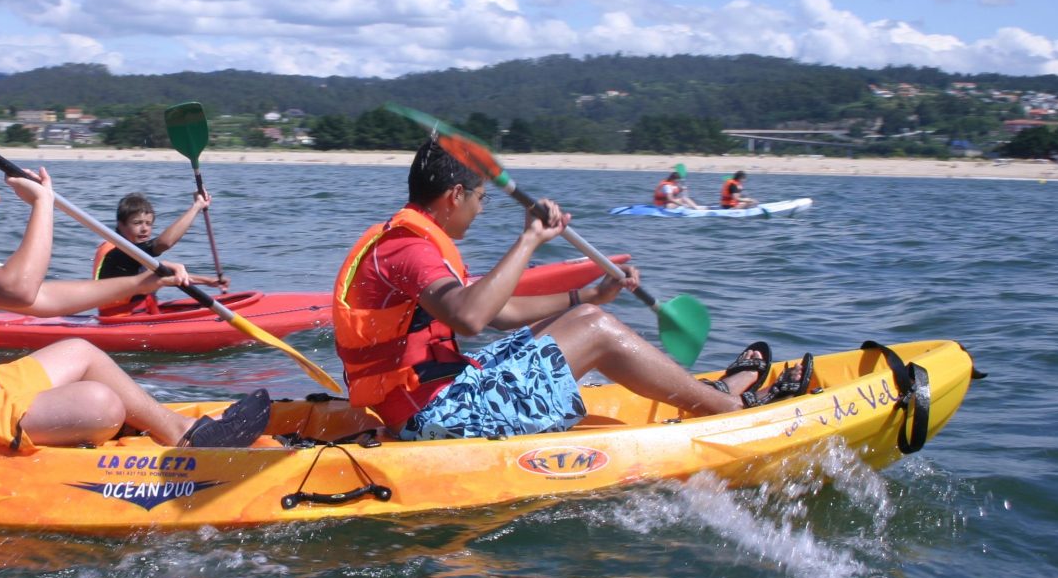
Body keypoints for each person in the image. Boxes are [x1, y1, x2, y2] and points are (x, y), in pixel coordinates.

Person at [331, 140, 811, 441]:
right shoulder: (410, 248)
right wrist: (529, 239)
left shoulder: (404, 241)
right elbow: (472, 318)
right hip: (432, 418)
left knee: (584, 321)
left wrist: (587, 298)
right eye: (479, 200)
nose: (479, 212)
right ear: (455, 196)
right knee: (597, 332)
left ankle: (711, 393)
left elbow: (499, 311)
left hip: (432, 399)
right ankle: (728, 405)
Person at [0, 128, 271, 450]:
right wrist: (44, 204)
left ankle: (182, 434)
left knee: (81, 351)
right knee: (100, 405)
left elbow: (42, 299)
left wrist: (139, 282)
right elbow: (25, 290)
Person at [93, 190, 228, 316]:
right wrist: (197, 206)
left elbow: (163, 275)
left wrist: (208, 281)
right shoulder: (119, 252)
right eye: (137, 223)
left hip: (137, 314)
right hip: (123, 319)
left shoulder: (133, 253)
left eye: (148, 223)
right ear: (121, 225)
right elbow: (164, 243)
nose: (144, 229)